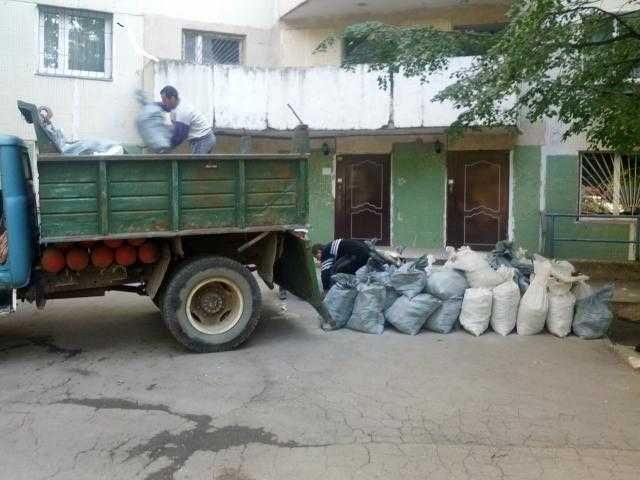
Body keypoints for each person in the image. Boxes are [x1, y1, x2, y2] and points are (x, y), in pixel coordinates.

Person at [159, 86, 216, 154]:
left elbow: (179, 137)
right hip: (200, 138)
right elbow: (164, 107)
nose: (163, 102)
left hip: (203, 139)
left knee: (195, 164)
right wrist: (153, 105)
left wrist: (166, 149)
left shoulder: (183, 111)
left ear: (172, 99)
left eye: (164, 100)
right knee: (201, 163)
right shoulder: (174, 104)